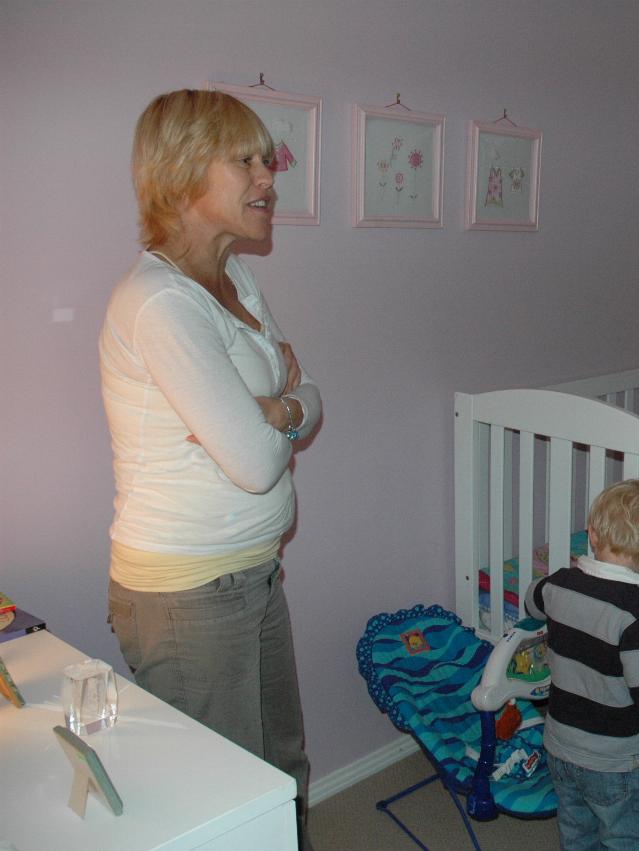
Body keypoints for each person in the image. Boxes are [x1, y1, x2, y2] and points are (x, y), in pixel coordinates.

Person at [100, 89, 322, 848]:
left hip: (252, 574)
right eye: (248, 160)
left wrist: (280, 408)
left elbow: (309, 397)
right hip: (188, 591)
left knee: (282, 767)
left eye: (270, 160)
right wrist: (280, 411)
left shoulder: (235, 282)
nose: (270, 177)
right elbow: (259, 464)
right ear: (184, 171)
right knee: (224, 798)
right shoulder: (160, 303)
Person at [524, 479, 639, 850]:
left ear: (591, 532)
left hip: (560, 744)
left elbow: (532, 602)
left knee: (577, 831)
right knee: (628, 837)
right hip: (615, 760)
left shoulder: (559, 584)